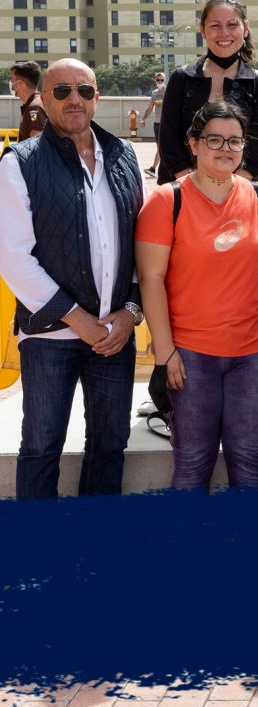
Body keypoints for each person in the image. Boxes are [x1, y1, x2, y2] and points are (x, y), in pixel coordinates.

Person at [0, 59, 144, 499]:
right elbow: (12, 257)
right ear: (43, 100)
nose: (74, 99)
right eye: (61, 91)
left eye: (84, 90)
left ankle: (94, 550)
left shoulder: (123, 155)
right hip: (50, 336)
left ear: (97, 97)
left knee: (109, 446)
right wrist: (77, 319)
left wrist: (131, 312)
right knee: (42, 447)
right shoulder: (19, 163)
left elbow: (142, 242)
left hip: (115, 334)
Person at [135, 100, 258, 490]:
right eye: (215, 140)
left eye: (235, 141)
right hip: (190, 354)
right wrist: (165, 351)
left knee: (252, 460)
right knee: (192, 462)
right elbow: (151, 278)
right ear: (193, 144)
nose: (226, 149)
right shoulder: (165, 201)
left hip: (256, 353)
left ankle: (253, 549)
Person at [157, 0, 258, 186]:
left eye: (232, 25)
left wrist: (227, 189)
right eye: (215, 26)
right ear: (202, 29)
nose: (224, 33)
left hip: (242, 190)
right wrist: (198, 187)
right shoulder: (181, 79)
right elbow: (168, 140)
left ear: (245, 28)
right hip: (184, 188)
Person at [140, 71, 167, 176]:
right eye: (158, 80)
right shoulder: (154, 93)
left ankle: (153, 168)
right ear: (155, 81)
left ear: (165, 80)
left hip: (165, 124)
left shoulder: (169, 92)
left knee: (161, 147)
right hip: (157, 124)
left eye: (162, 80)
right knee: (160, 147)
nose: (160, 81)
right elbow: (150, 107)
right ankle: (159, 168)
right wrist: (143, 119)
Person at [11, 61, 44, 142]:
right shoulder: (37, 102)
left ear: (20, 83)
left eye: (11, 80)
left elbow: (36, 147)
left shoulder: (34, 108)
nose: (11, 84)